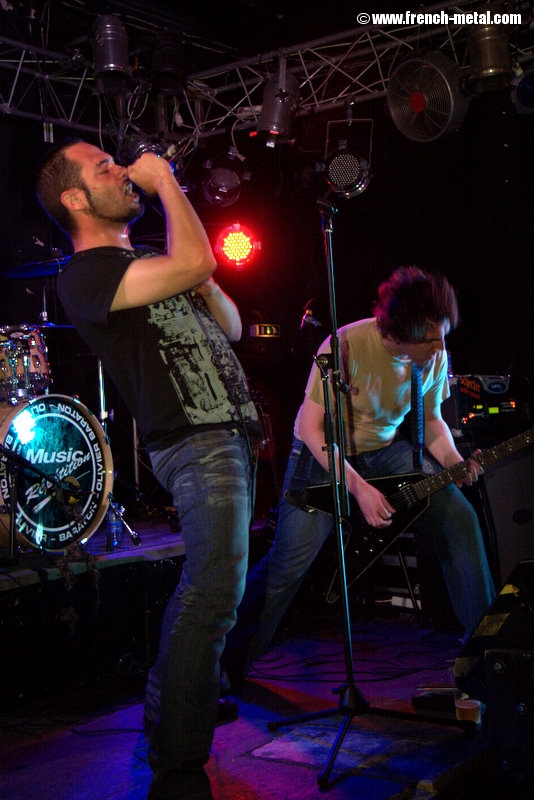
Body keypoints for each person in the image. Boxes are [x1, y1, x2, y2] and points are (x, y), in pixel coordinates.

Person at [36, 138, 262, 800]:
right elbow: (197, 259)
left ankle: (172, 713)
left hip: (229, 431)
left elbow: (232, 324)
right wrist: (167, 184)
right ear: (76, 199)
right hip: (192, 438)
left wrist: (199, 274)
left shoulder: (152, 260)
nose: (119, 170)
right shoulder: (85, 275)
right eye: (102, 168)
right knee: (213, 590)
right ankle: (178, 767)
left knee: (213, 588)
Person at [223, 266, 497, 691]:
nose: (441, 347)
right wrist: (357, 487)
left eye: (442, 336)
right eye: (431, 338)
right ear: (401, 332)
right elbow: (311, 428)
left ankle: (486, 657)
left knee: (459, 519)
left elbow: (431, 420)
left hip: (384, 451)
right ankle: (225, 665)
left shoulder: (433, 356)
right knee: (288, 564)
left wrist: (454, 462)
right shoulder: (344, 345)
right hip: (321, 454)